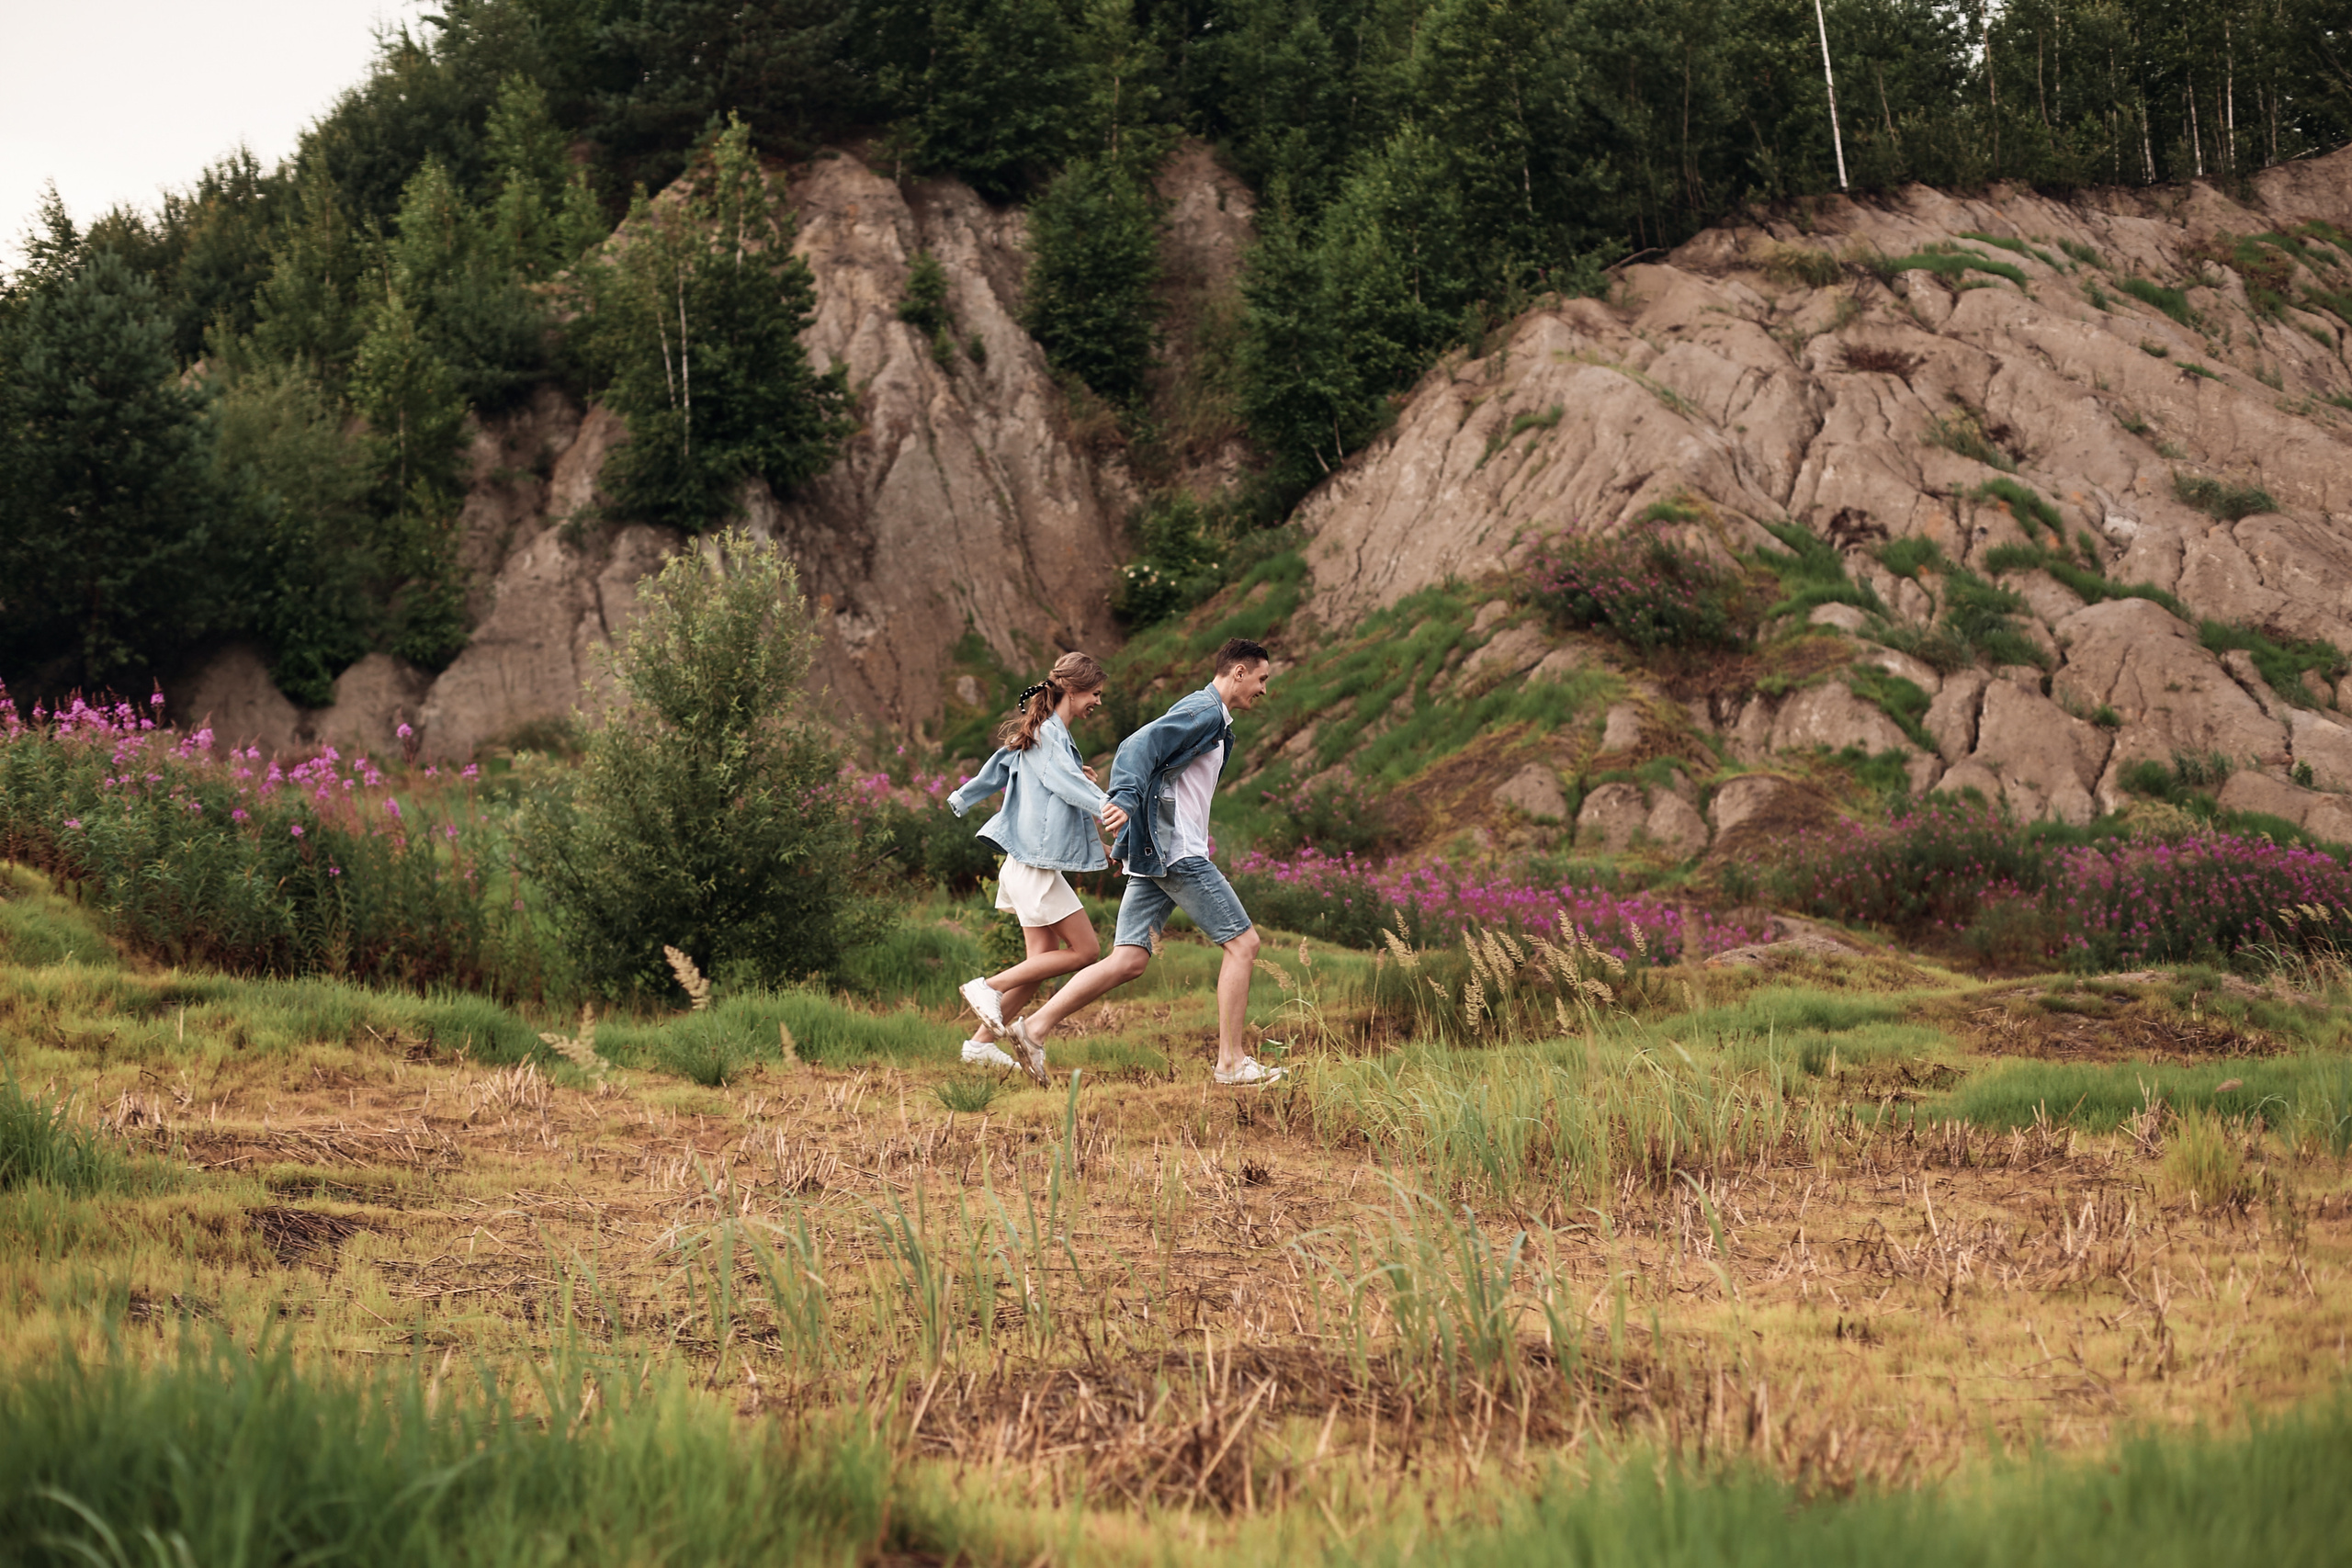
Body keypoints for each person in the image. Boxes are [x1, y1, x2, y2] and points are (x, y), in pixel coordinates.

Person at [1001, 637, 1282, 1087]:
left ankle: (1032, 1030)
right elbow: (1136, 747)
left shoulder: (1216, 721)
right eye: (1262, 678)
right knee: (1244, 945)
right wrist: (1126, 799)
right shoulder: (1203, 711)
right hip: (1177, 853)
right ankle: (1231, 1062)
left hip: (1157, 851)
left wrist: (1135, 832)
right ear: (1239, 673)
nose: (1264, 689)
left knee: (1128, 960)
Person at [947, 652, 1129, 1071]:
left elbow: (1052, 804)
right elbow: (1066, 788)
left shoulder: (1051, 737)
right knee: (1085, 950)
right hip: (1033, 866)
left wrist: (1098, 848)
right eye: (1095, 694)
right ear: (1072, 689)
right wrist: (1116, 812)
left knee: (1036, 968)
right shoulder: (1050, 736)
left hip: (1027, 864)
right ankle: (987, 986)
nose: (1098, 703)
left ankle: (978, 1046)